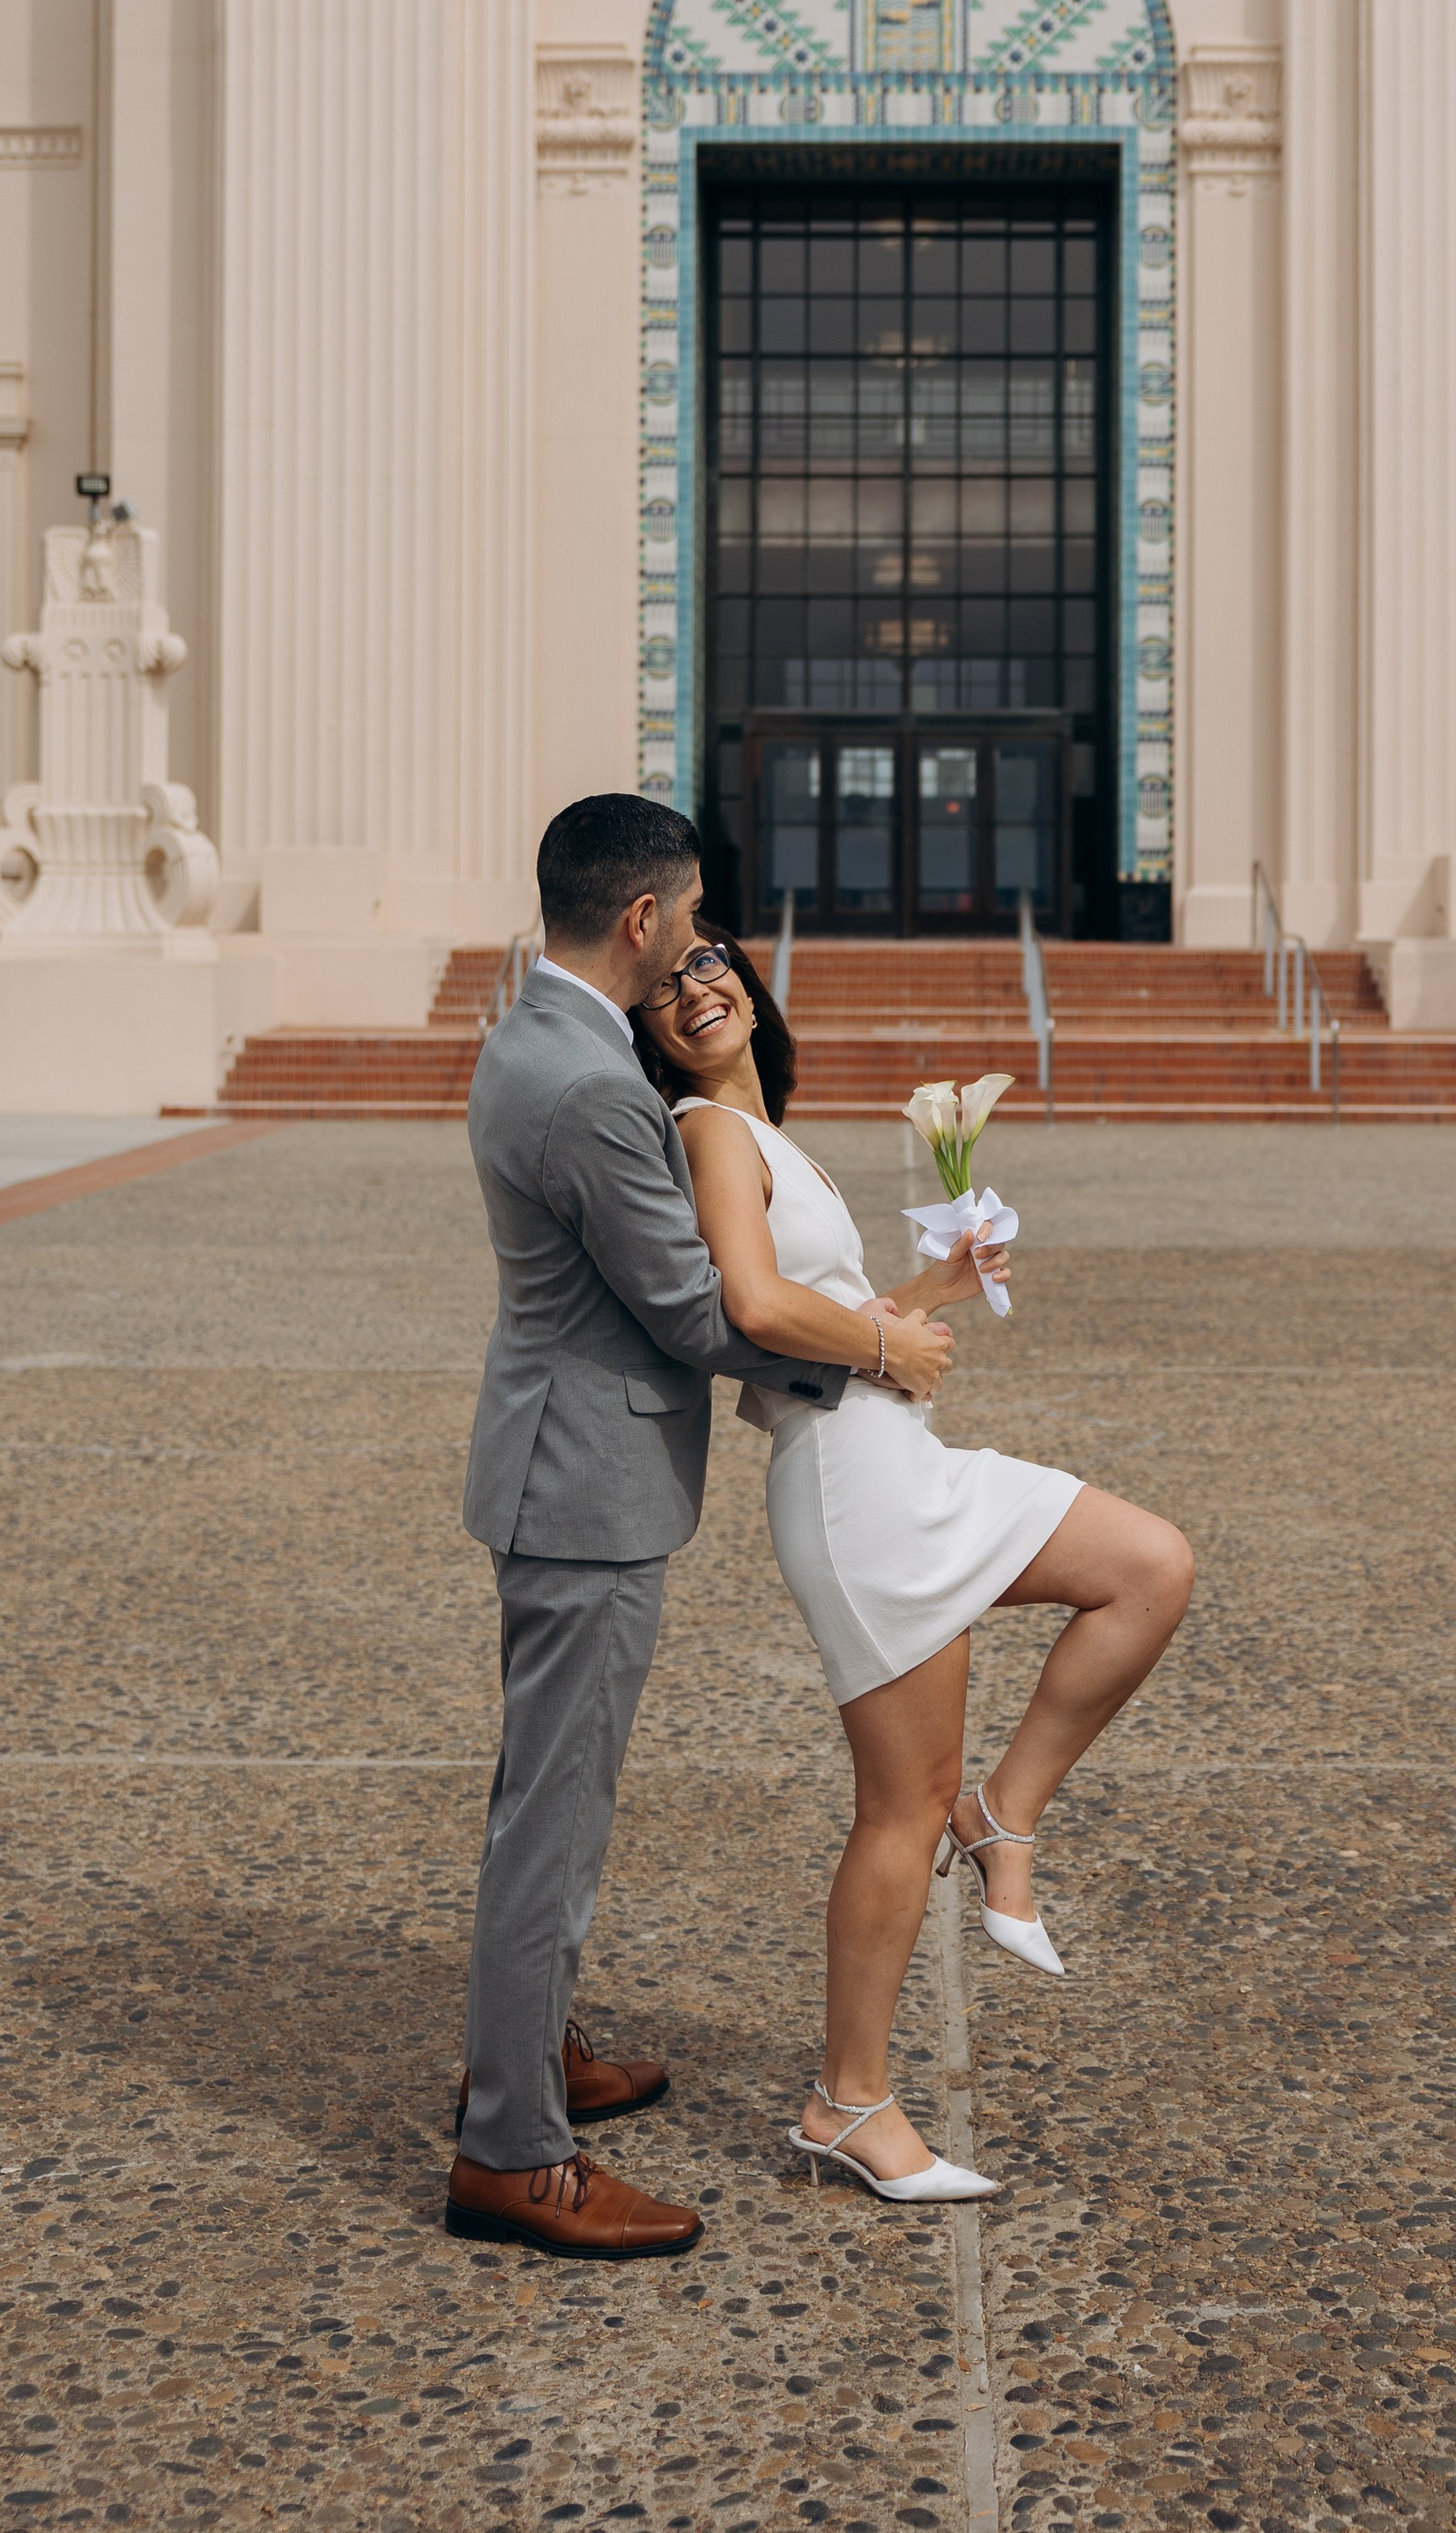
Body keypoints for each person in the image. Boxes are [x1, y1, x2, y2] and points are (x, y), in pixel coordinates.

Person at [446, 797, 957, 2262]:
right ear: (639, 921)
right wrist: (868, 1352)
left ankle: (533, 2055)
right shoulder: (595, 1085)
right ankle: (515, 2153)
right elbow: (693, 1306)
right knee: (554, 1815)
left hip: (558, 1463)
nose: (693, 939)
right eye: (687, 913)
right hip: (583, 1486)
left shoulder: (538, 1032)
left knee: (540, 1800)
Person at [634, 922, 1194, 2204]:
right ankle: (851, 2103)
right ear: (650, 1032)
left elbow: (828, 1311)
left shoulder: (769, 1133)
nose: (694, 989)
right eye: (664, 987)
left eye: (711, 963)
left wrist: (930, 1289)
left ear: (751, 986)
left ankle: (1002, 1818)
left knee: (1149, 1567)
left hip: (899, 1461)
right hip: (854, 1484)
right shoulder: (707, 1133)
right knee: (896, 1807)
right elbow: (753, 1308)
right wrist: (889, 1348)